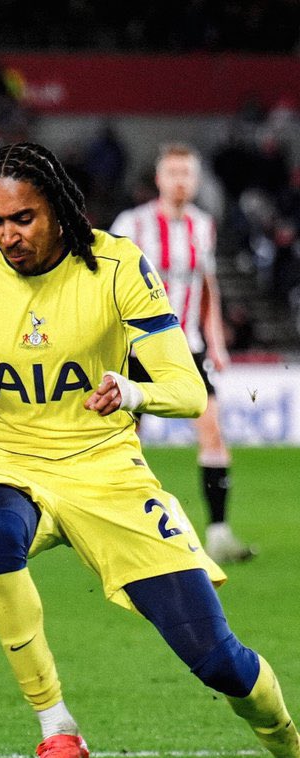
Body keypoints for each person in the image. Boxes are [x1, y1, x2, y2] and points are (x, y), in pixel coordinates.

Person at [0, 142, 300, 758]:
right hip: (12, 461)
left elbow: (186, 390)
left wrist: (132, 392)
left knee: (216, 659)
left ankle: (289, 745)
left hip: (107, 471)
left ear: (58, 211)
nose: (8, 235)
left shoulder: (115, 263)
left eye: (23, 219)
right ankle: (57, 730)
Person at [110, 144, 255, 564]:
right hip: (136, 347)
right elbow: (108, 283)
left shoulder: (202, 225)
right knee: (127, 442)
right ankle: (126, 532)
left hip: (186, 347)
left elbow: (207, 286)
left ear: (196, 180)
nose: (179, 180)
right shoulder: (131, 224)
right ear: (158, 178)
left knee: (212, 432)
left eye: (187, 173)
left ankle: (219, 534)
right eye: (172, 172)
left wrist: (216, 342)